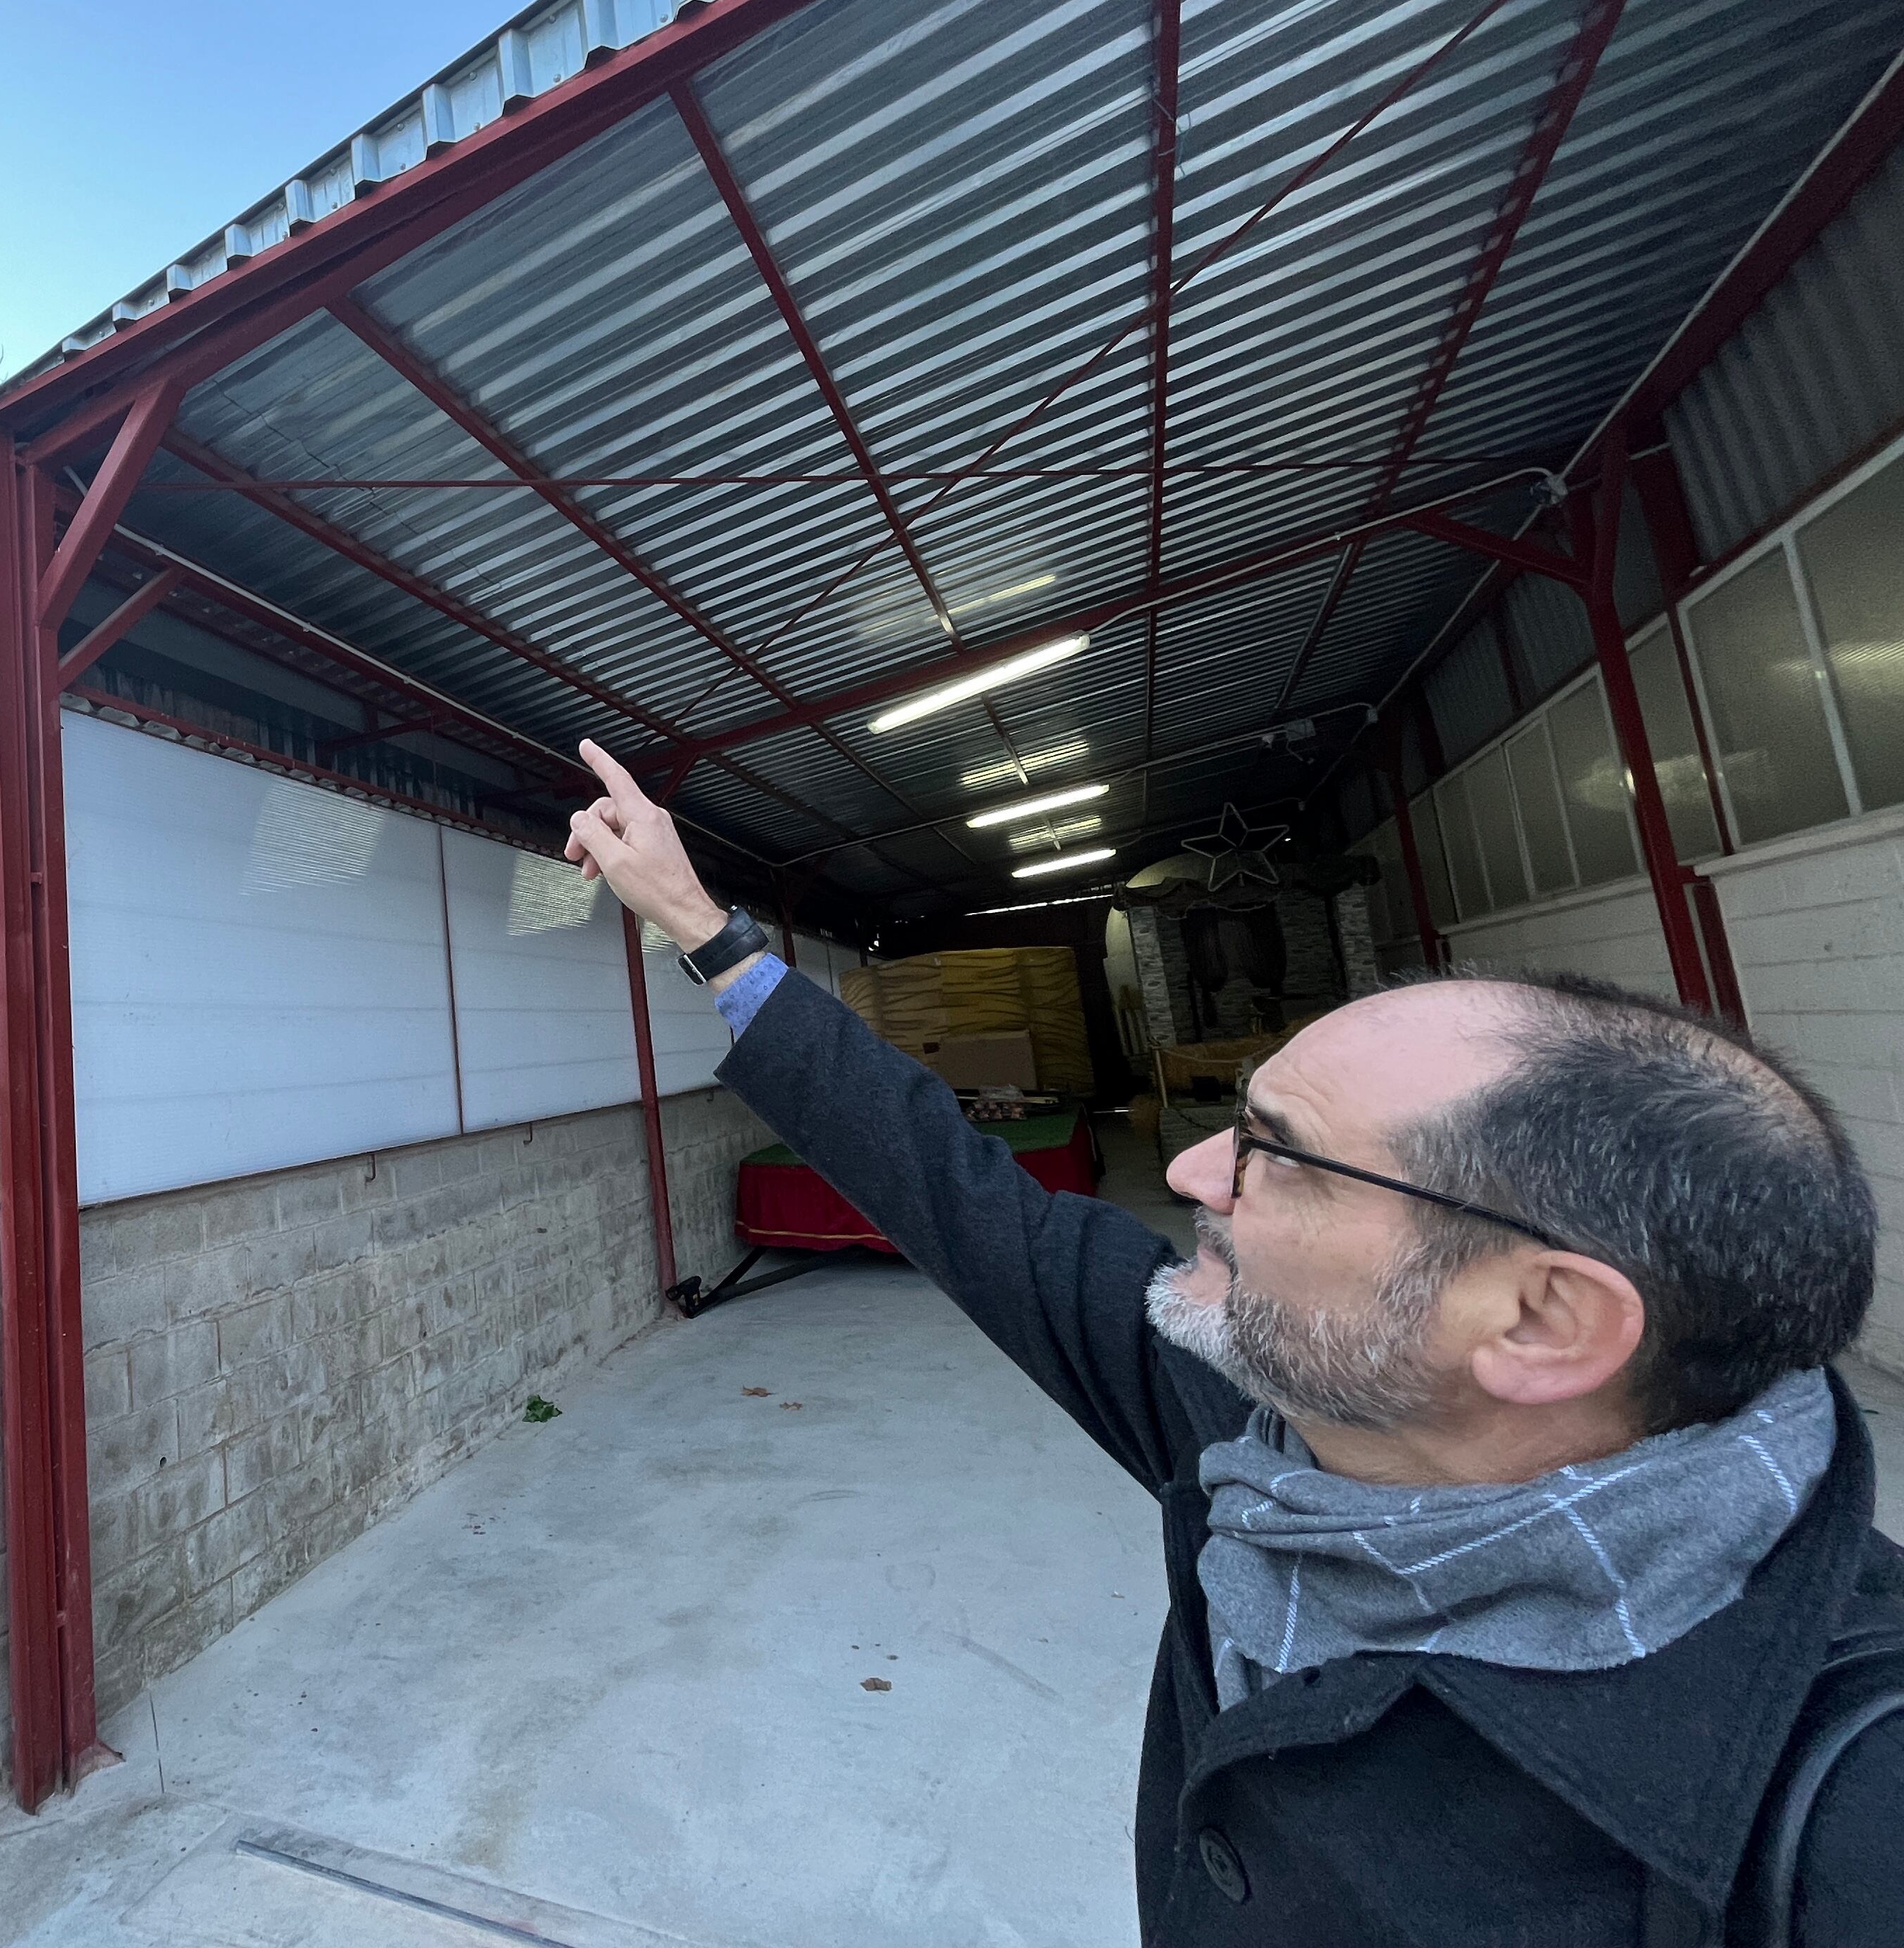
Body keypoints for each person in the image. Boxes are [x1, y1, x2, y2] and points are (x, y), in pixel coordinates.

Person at [561, 738, 1901, 1947]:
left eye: (1281, 1156)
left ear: (1542, 1321)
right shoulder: (1269, 1424)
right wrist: (701, 925)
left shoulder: (1840, 1808)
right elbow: (960, 1197)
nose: (1196, 1169)